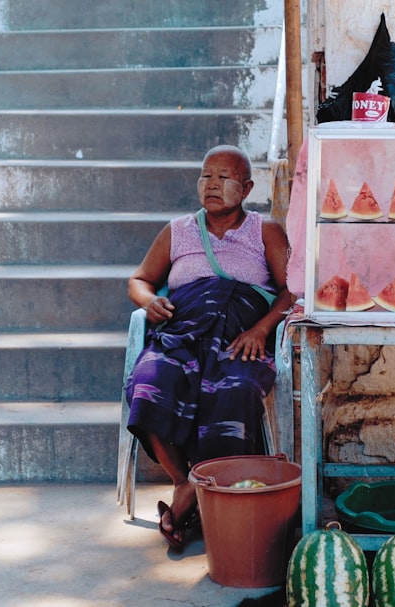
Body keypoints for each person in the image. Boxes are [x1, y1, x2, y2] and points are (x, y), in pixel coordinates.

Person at [124, 144, 295, 549]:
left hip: (240, 338)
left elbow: (293, 289)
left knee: (234, 389)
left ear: (247, 187)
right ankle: (188, 485)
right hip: (182, 334)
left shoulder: (264, 230)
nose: (212, 184)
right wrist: (149, 301)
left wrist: (261, 329)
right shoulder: (178, 230)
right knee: (149, 383)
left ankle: (199, 497)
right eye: (206, 175)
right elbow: (139, 280)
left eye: (224, 177)